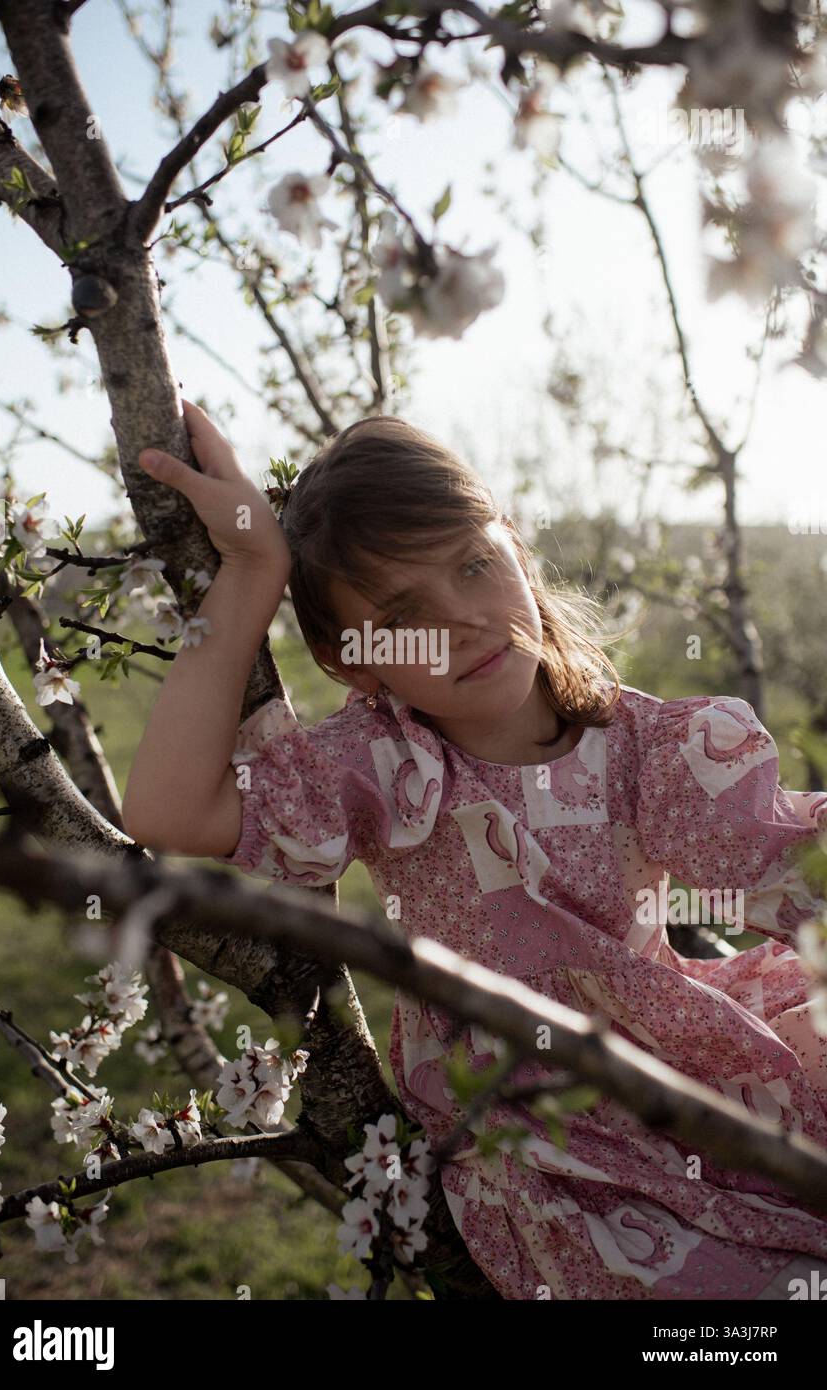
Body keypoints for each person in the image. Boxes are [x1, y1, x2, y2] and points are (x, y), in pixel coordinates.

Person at [123, 399, 827, 1301]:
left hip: (675, 1055)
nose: (462, 619)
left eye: (474, 565)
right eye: (407, 610)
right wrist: (256, 568)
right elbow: (166, 808)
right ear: (353, 663)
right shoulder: (385, 767)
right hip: (545, 1134)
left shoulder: (651, 751)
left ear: (519, 558)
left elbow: (791, 865)